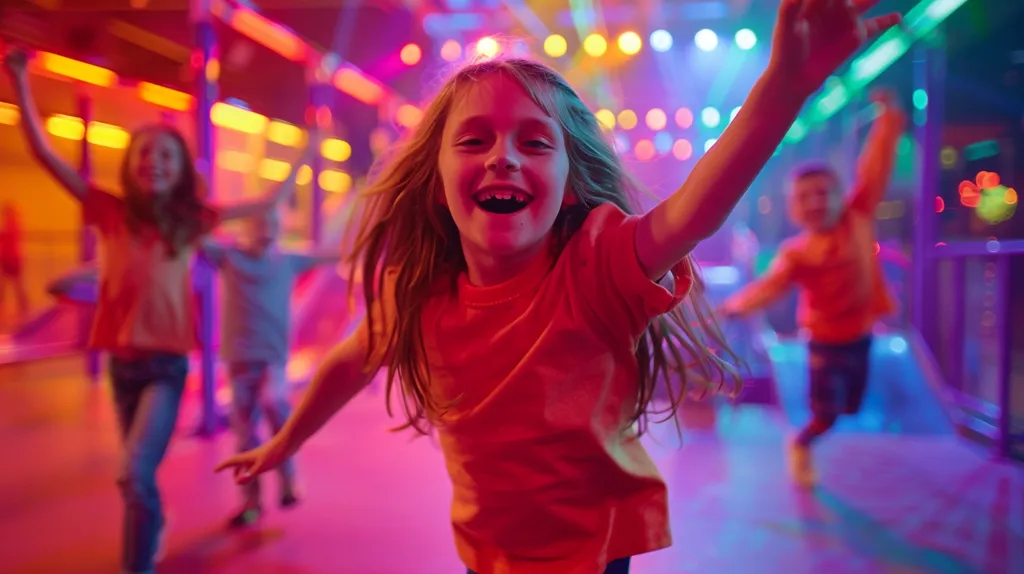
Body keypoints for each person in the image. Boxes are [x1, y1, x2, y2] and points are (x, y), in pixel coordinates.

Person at [217, 2, 902, 572]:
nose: (503, 157)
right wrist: (288, 440)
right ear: (437, 183)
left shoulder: (597, 267)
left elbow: (696, 209)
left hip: (593, 549)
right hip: (489, 550)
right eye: (475, 140)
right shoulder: (416, 295)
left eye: (534, 143)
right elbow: (350, 359)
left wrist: (784, 87)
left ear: (570, 182)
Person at [4, 46, 296, 574]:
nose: (152, 162)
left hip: (165, 366)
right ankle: (152, 524)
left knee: (133, 473)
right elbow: (47, 155)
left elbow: (263, 204)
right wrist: (20, 84)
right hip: (123, 366)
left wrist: (298, 162)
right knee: (137, 480)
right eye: (143, 154)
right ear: (130, 166)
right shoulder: (108, 211)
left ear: (179, 170)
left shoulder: (189, 223)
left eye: (165, 156)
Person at [720, 90, 905, 488]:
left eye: (824, 193)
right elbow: (768, 289)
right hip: (822, 341)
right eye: (805, 197)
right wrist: (733, 307)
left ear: (842, 196)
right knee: (826, 413)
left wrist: (888, 119)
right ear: (793, 210)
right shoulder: (796, 253)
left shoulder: (858, 216)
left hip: (861, 335)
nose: (816, 202)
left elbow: (875, 166)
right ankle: (801, 442)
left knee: (851, 406)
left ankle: (818, 428)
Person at [201, 196, 341, 529]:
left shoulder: (288, 260)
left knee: (275, 403)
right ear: (247, 226)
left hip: (272, 359)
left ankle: (290, 479)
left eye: (274, 224)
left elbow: (332, 253)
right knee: (245, 432)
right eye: (261, 222)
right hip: (239, 359)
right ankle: (250, 502)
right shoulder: (229, 257)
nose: (269, 229)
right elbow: (194, 236)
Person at [0, 202, 29, 323]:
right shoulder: (11, 224)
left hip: (12, 260)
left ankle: (24, 309)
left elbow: (8, 237)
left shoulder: (13, 225)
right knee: (6, 286)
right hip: (7, 259)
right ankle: (21, 308)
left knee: (16, 286)